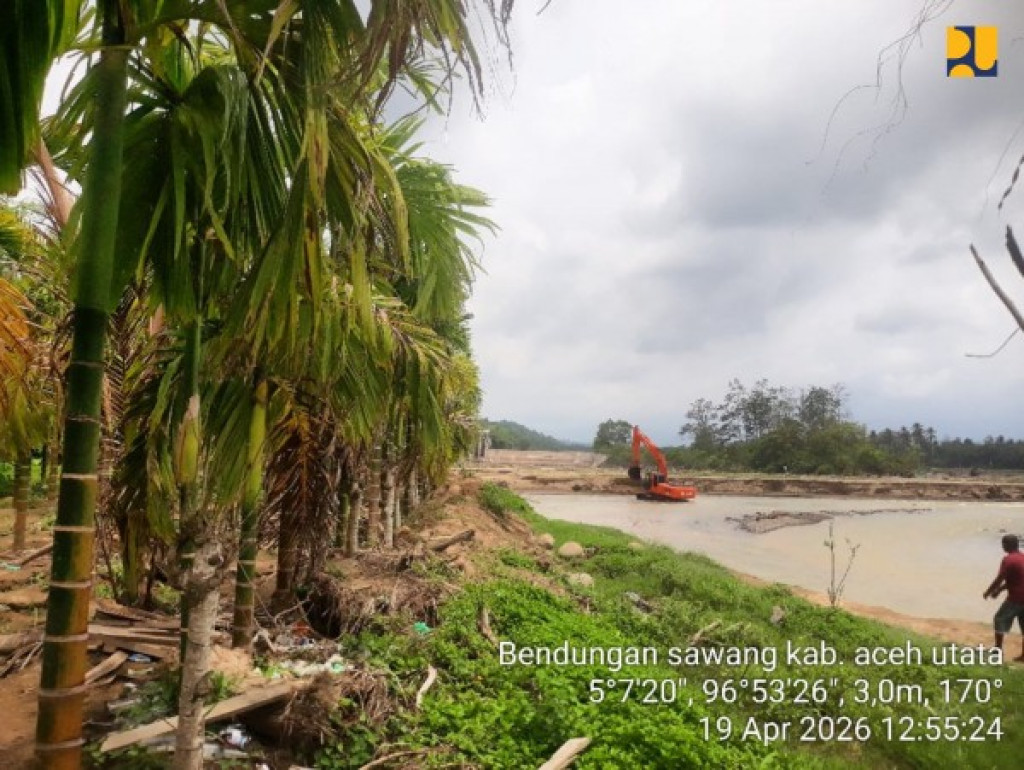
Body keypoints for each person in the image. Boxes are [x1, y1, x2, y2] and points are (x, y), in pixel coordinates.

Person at [983, 533, 1024, 661]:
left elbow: (1000, 578)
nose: (1002, 546)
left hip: (1016, 598)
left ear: (1008, 545)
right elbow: (1016, 579)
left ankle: (998, 651)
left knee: (999, 619)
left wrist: (988, 592)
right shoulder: (1022, 558)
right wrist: (1000, 590)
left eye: (1003, 544)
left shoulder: (1008, 559)